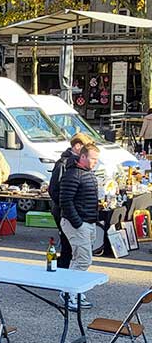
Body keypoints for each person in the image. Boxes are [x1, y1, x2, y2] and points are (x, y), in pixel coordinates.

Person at [58, 143, 100, 310]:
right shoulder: (73, 174)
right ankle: (68, 293)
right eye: (93, 158)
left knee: (79, 259)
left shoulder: (86, 174)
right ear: (83, 157)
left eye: (97, 159)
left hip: (86, 222)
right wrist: (78, 223)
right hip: (77, 223)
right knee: (83, 259)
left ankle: (75, 291)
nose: (95, 162)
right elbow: (65, 201)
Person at [49, 132, 94, 268]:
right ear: (77, 146)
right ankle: (63, 280)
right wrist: (71, 213)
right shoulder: (63, 164)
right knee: (68, 249)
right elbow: (55, 190)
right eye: (85, 148)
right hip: (65, 213)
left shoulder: (75, 164)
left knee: (72, 249)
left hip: (71, 212)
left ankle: (64, 278)